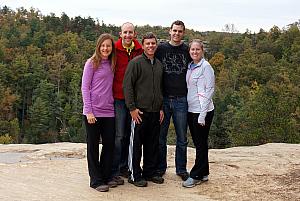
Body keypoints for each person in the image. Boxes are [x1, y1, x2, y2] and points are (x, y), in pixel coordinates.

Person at [123, 32, 164, 187]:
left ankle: (150, 172)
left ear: (156, 45)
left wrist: (160, 108)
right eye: (147, 43)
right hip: (139, 112)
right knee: (136, 144)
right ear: (143, 45)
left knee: (152, 144)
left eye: (153, 43)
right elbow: (127, 87)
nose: (151, 46)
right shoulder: (136, 63)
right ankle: (134, 174)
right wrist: (132, 109)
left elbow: (160, 89)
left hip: (155, 111)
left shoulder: (159, 64)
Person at [155, 20, 192, 181]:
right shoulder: (161, 49)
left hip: (181, 99)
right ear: (169, 31)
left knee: (182, 137)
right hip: (164, 99)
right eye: (174, 31)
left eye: (180, 31)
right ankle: (160, 168)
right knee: (160, 137)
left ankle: (181, 169)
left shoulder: (187, 50)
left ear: (183, 33)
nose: (177, 34)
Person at [81, 33, 116, 192]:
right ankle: (95, 180)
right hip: (93, 112)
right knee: (93, 146)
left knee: (109, 145)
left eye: (108, 45)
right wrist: (88, 111)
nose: (105, 48)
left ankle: (106, 176)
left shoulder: (112, 63)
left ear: (111, 48)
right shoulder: (91, 63)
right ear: (98, 46)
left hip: (109, 111)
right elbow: (85, 88)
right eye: (103, 45)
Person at [111, 22, 143, 185]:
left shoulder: (140, 50)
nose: (128, 35)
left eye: (131, 32)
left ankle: (126, 166)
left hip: (136, 100)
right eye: (125, 32)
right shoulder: (114, 49)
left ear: (135, 34)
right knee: (119, 135)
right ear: (120, 34)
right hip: (118, 97)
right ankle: (115, 169)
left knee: (132, 136)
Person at [182, 39, 215, 188]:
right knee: (199, 143)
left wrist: (202, 115)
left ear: (202, 51)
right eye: (192, 50)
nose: (194, 52)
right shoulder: (190, 66)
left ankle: (196, 175)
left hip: (203, 110)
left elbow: (210, 90)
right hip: (191, 109)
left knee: (200, 144)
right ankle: (204, 172)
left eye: (197, 49)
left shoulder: (206, 67)